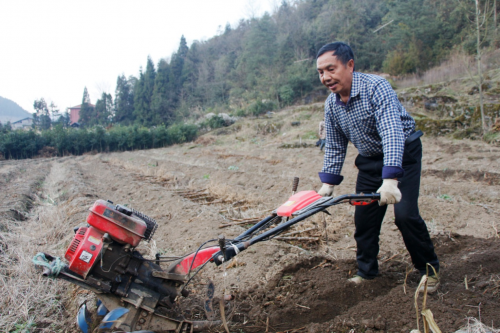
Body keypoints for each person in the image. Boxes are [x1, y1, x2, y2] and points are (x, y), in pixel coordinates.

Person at [315, 42, 440, 292]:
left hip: (403, 154)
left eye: (331, 69)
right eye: (320, 72)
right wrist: (328, 183)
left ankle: (430, 271)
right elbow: (336, 145)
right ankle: (367, 272)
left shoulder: (376, 87)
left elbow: (392, 132)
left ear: (349, 65)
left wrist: (391, 178)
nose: (326, 77)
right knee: (365, 219)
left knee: (405, 216)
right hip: (370, 161)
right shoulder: (331, 104)